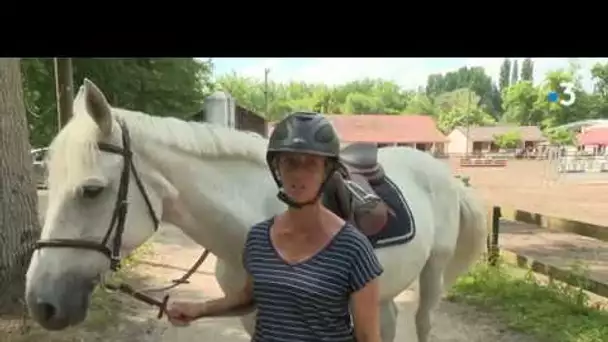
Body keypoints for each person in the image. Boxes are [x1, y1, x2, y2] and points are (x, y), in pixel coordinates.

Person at [166, 112, 383, 342]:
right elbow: (249, 297)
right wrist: (199, 309)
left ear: (326, 170)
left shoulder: (354, 248)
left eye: (310, 163)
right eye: (290, 163)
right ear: (277, 167)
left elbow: (368, 337)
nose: (299, 176)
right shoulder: (259, 237)